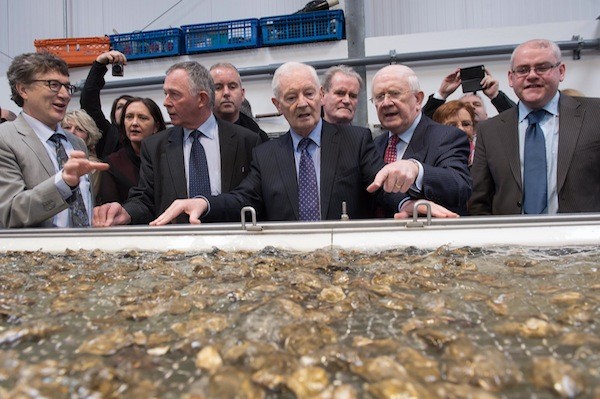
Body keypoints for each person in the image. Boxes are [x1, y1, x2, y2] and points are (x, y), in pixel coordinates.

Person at [143, 62, 457, 226]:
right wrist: (205, 202)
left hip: (346, 263)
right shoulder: (266, 154)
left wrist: (407, 204)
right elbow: (243, 198)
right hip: (289, 266)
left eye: (309, 93)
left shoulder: (355, 140)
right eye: (291, 97)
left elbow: (378, 185)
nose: (302, 103)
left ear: (321, 95)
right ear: (277, 105)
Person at [93, 61, 261, 226]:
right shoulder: (155, 147)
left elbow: (253, 197)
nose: (166, 102)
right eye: (165, 93)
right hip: (176, 247)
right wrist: (126, 213)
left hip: (232, 243)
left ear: (201, 99)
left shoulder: (246, 140)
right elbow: (145, 200)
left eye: (174, 94)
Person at [469, 39, 600, 215]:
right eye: (522, 70)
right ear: (511, 78)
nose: (531, 75)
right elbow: (479, 201)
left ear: (561, 71)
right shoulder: (490, 130)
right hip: (511, 239)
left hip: (582, 238)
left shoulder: (594, 115)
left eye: (542, 67)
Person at [0, 53, 108, 228]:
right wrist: (63, 184)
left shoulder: (76, 143)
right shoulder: (5, 139)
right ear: (23, 89)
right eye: (53, 85)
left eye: (67, 86)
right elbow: (10, 212)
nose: (65, 95)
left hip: (84, 251)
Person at [369, 64, 472, 216]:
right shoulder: (375, 145)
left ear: (418, 99)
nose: (386, 102)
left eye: (394, 94)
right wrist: (405, 203)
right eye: (379, 97)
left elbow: (459, 185)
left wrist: (418, 171)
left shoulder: (447, 137)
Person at [99, 97, 166, 204]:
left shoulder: (168, 158)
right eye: (129, 117)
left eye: (142, 118)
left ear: (156, 127)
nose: (134, 123)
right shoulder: (112, 164)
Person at [80, 50, 133, 159]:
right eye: (120, 107)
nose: (125, 110)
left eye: (129, 106)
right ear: (114, 115)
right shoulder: (108, 134)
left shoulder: (150, 138)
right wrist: (99, 65)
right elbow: (89, 102)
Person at [422, 67, 516, 120]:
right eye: (465, 105)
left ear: (486, 115)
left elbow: (518, 118)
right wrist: (442, 94)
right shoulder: (445, 136)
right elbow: (421, 124)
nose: (471, 107)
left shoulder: (497, 132)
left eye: (477, 104)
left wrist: (495, 95)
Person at [209, 62, 269, 143]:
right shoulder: (198, 136)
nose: (226, 93)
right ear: (208, 95)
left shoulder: (259, 138)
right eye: (218, 87)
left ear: (242, 94)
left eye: (232, 87)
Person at [61, 109, 103, 200]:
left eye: (79, 129)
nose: (71, 132)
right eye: (67, 127)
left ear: (89, 136)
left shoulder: (93, 166)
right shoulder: (53, 156)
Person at [432, 100, 477, 166]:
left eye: (466, 124)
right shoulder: (431, 159)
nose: (461, 129)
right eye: (452, 125)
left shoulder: (484, 157)